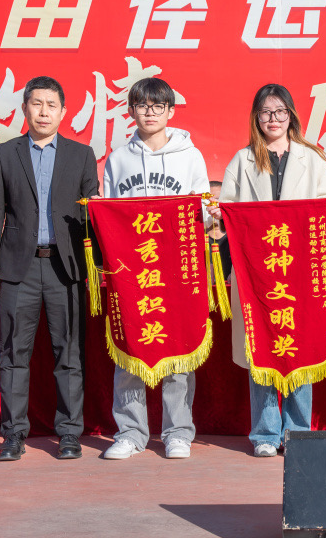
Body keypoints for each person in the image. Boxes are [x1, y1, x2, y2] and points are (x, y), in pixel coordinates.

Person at [210, 83, 326, 457]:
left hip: (300, 272)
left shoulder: (312, 159)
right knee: (261, 350)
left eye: (280, 111)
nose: (273, 119)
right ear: (256, 117)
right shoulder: (242, 160)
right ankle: (266, 433)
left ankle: (297, 432)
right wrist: (218, 212)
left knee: (301, 349)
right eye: (266, 112)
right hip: (256, 274)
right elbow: (228, 213)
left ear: (291, 116)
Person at [0, 76, 100, 462]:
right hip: (19, 269)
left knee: (70, 352)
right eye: (37, 104)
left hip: (67, 269)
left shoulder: (81, 155)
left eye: (51, 105)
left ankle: (69, 433)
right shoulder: (5, 154)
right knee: (14, 351)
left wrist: (97, 268)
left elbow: (93, 213)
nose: (44, 112)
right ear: (25, 109)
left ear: (63, 112)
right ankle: (13, 433)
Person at [101, 77, 210, 461]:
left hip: (176, 267)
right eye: (142, 106)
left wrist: (208, 213)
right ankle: (130, 433)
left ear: (170, 111)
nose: (150, 113)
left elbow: (203, 210)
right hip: (133, 269)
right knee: (130, 346)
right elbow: (110, 213)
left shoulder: (190, 156)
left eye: (158, 106)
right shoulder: (118, 159)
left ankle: (177, 432)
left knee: (178, 349)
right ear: (131, 110)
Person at [206, 180, 232, 281]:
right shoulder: (196, 240)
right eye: (208, 201)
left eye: (217, 200)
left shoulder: (235, 238)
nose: (213, 206)